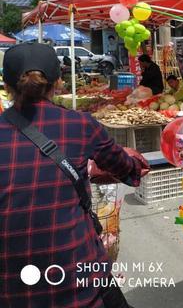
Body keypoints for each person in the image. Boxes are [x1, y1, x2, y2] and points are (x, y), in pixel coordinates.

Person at [0, 43, 150, 307]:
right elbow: (127, 169)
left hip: (11, 289)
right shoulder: (80, 124)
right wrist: (134, 163)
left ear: (7, 86)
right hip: (77, 283)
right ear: (58, 82)